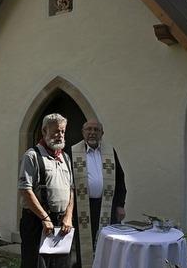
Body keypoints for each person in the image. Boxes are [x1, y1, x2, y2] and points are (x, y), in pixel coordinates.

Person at [18, 113, 75, 268]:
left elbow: (71, 189)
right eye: (56, 131)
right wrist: (44, 218)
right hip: (37, 222)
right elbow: (25, 190)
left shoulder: (66, 158)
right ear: (44, 131)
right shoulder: (32, 156)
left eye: (63, 131)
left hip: (62, 223)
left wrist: (68, 216)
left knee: (61, 265)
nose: (60, 135)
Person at [71, 120, 126, 267]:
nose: (92, 132)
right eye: (88, 129)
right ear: (83, 133)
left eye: (96, 130)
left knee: (107, 243)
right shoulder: (73, 152)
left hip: (107, 206)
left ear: (102, 133)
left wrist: (120, 205)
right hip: (83, 207)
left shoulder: (110, 151)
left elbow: (120, 178)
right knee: (84, 245)